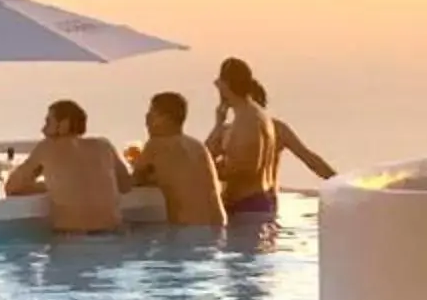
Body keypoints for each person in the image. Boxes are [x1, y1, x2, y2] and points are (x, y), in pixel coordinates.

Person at [4, 98, 130, 234]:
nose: (43, 130)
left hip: (72, 238)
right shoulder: (104, 146)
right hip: (113, 234)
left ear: (64, 124)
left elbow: (11, 187)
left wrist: (48, 186)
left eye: (48, 122)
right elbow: (125, 185)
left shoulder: (47, 147)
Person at [132, 90, 226, 226]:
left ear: (165, 119)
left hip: (187, 230)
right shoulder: (198, 146)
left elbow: (132, 181)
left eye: (152, 114)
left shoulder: (156, 145)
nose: (147, 119)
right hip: (218, 225)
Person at [207, 57, 281, 216]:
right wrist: (219, 123)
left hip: (248, 207)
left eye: (219, 83)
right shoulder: (251, 115)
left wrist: (206, 172)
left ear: (226, 85)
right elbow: (209, 152)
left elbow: (245, 170)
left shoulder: (248, 120)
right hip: (251, 205)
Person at [250, 77, 336, 181]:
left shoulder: (277, 129)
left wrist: (337, 180)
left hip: (264, 194)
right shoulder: (231, 130)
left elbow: (309, 159)